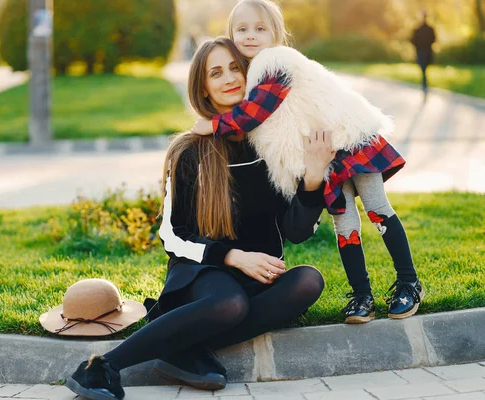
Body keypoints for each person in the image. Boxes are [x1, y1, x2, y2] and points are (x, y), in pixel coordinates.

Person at [65, 37, 334, 400]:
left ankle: (182, 345)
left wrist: (313, 179)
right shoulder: (190, 150)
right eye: (216, 73)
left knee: (308, 281)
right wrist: (231, 256)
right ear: (203, 88)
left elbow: (297, 232)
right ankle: (101, 367)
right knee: (230, 303)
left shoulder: (273, 144)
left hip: (259, 275)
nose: (228, 79)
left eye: (235, 68)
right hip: (203, 273)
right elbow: (171, 235)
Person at [192, 0, 424, 325]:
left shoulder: (276, 62)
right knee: (344, 223)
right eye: (242, 29)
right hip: (324, 153)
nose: (250, 35)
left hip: (349, 138)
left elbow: (259, 110)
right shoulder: (253, 72)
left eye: (260, 28)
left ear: (276, 33)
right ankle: (362, 295)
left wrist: (215, 125)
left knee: (376, 207)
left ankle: (409, 282)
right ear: (231, 34)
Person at [410, 11, 436, 95]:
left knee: (423, 67)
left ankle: (424, 81)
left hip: (422, 50)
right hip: (425, 50)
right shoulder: (427, 29)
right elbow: (434, 39)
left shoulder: (420, 29)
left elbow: (413, 40)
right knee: (424, 67)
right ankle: (424, 81)